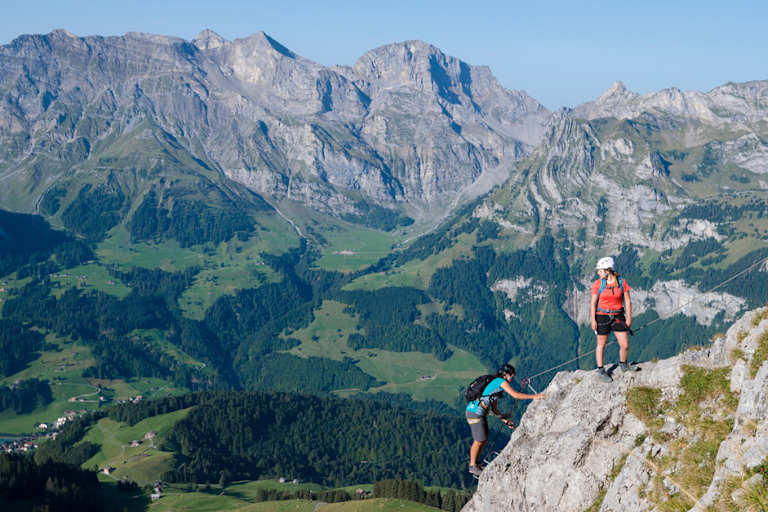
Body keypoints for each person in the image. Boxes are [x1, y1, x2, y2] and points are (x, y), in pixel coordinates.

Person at [465, 363, 545, 476]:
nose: (513, 378)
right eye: (512, 375)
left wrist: (505, 420)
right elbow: (515, 395)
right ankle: (472, 466)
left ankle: (476, 463)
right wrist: (535, 397)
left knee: (483, 438)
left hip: (475, 412)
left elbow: (494, 408)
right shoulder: (500, 382)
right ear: (506, 374)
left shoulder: (496, 386)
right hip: (475, 413)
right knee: (479, 440)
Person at [590, 256, 639, 383]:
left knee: (625, 345)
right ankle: (600, 370)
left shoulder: (622, 282)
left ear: (607, 270)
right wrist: (593, 320)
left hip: (618, 316)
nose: (598, 272)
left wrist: (629, 318)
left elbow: (627, 301)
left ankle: (623, 364)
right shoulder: (598, 284)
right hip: (602, 316)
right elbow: (593, 303)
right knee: (601, 345)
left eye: (600, 270)